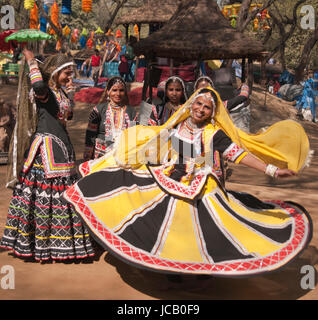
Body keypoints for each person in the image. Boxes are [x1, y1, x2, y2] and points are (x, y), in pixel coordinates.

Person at [64, 87, 312, 279]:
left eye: (207, 107)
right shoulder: (178, 125)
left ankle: (191, 267)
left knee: (203, 227)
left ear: (212, 112)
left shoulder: (214, 133)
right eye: (199, 104)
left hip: (201, 184)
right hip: (169, 176)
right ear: (192, 103)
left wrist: (271, 170)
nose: (201, 109)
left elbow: (238, 154)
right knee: (129, 190)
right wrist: (131, 159)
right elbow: (159, 150)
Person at [0, 48, 95, 262]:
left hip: (62, 149)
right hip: (46, 152)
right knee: (43, 196)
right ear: (54, 72)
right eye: (66, 73)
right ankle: (40, 246)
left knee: (61, 197)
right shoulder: (44, 93)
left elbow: (65, 116)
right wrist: (32, 62)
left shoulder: (60, 93)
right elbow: (39, 85)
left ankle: (60, 245)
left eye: (71, 73)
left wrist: (69, 99)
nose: (70, 77)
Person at [83, 76, 138, 161]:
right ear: (108, 91)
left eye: (121, 90)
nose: (118, 94)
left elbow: (133, 136)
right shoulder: (98, 110)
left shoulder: (132, 112)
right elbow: (90, 134)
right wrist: (88, 156)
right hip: (101, 156)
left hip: (123, 157)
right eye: (114, 90)